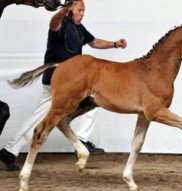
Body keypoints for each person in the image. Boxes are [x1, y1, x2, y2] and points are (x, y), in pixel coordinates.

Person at [0, 0, 127, 171]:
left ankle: (80, 139)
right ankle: (8, 152)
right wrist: (63, 11)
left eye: (84, 12)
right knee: (38, 120)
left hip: (74, 84)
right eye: (80, 10)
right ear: (70, 10)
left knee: (97, 100)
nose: (82, 14)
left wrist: (114, 44)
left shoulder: (79, 28)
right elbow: (54, 22)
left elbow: (94, 42)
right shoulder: (61, 23)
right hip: (57, 80)